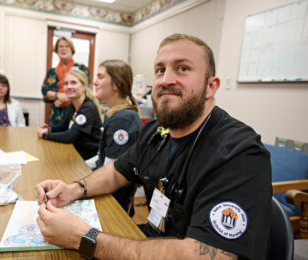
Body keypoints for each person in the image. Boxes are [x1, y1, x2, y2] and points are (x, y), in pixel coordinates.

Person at [35, 33, 272, 259]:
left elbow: (203, 255)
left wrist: (83, 237)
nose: (166, 80)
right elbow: (117, 171)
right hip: (152, 239)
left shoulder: (239, 153)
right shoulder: (157, 131)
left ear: (211, 87)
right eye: (160, 70)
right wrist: (74, 189)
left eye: (183, 68)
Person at [85, 60, 142, 214]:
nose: (95, 82)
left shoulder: (123, 119)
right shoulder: (117, 114)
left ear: (116, 84)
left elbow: (110, 170)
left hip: (113, 203)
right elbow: (101, 156)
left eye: (100, 77)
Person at [37, 69, 102, 160]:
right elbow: (64, 125)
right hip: (75, 151)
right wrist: (49, 128)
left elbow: (69, 136)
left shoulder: (88, 108)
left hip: (87, 157)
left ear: (84, 86)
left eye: (73, 83)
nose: (69, 86)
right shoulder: (74, 104)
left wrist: (45, 135)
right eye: (66, 83)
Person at [41, 36, 89, 126]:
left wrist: (65, 98)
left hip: (76, 111)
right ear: (57, 50)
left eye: (67, 46)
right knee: (53, 138)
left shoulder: (81, 68)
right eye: (60, 46)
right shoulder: (51, 72)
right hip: (56, 113)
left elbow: (85, 89)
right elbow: (44, 92)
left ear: (72, 50)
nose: (63, 49)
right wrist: (57, 95)